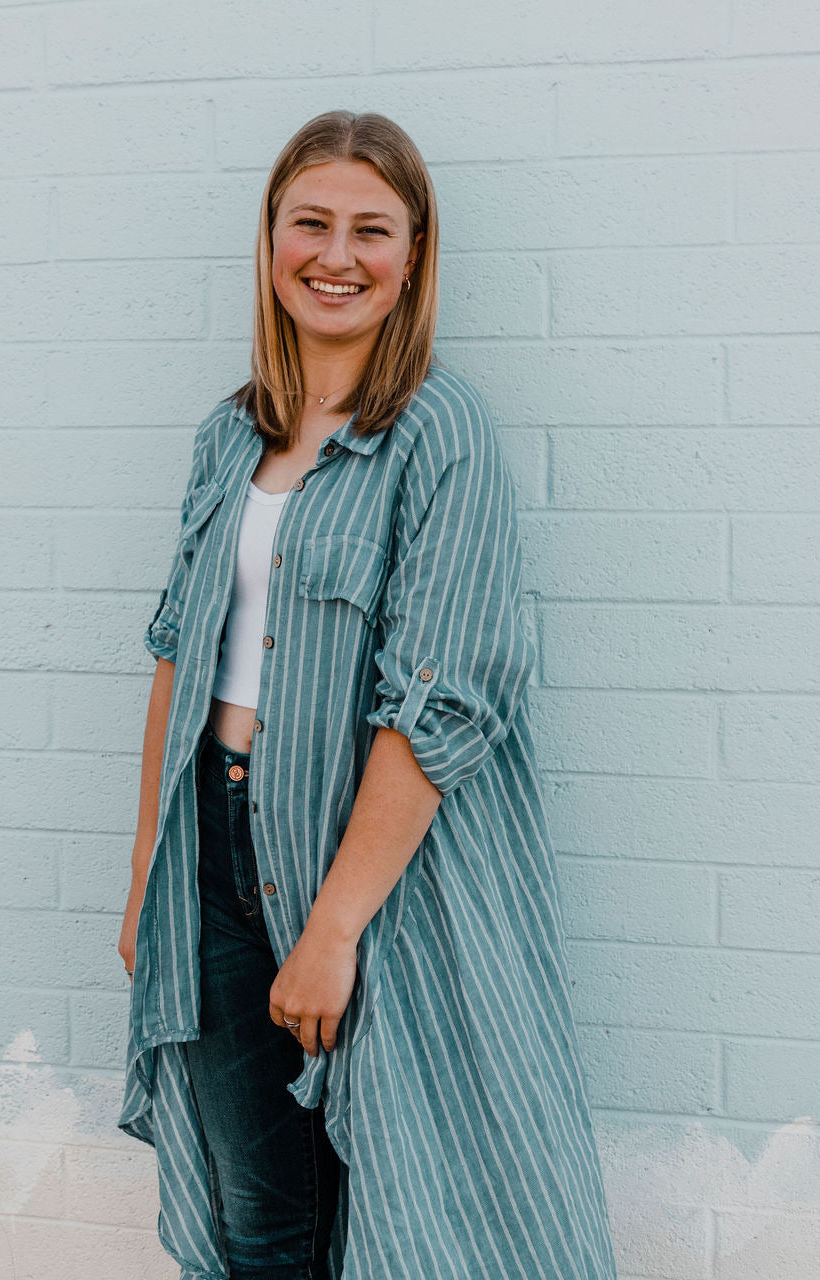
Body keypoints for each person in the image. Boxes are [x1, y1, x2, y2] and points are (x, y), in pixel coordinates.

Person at [117, 109, 619, 1280]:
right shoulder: (224, 438)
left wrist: (333, 927)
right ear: (272, 240)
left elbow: (441, 703)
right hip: (218, 866)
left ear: (412, 255)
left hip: (386, 884)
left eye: (370, 230)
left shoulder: (440, 433)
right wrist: (148, 872)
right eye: (312, 223)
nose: (336, 255)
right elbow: (176, 660)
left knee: (417, 1211)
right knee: (262, 1228)